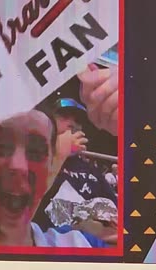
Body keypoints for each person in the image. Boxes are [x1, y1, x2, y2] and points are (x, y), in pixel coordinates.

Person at [0, 109, 107, 247]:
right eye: (1, 147)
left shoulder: (81, 244)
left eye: (36, 152)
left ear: (50, 163)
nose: (19, 166)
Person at [32, 98, 118, 244]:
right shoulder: (35, 158)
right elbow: (30, 204)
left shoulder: (90, 169)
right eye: (64, 117)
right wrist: (59, 152)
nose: (73, 124)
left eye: (78, 121)